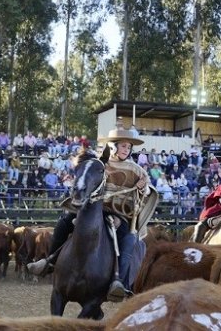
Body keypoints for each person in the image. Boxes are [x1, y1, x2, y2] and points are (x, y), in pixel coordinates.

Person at [27, 128, 155, 302]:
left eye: (129, 147)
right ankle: (50, 262)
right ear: (114, 146)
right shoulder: (100, 164)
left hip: (123, 216)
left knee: (128, 243)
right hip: (96, 211)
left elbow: (148, 191)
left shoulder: (137, 170)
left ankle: (120, 283)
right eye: (123, 146)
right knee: (64, 223)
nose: (127, 150)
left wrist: (143, 187)